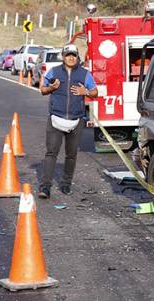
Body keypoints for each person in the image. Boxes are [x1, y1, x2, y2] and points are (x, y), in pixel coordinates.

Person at [38, 44, 98, 198]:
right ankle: (45, 187)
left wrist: (86, 91)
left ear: (77, 57)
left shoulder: (85, 74)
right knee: (51, 153)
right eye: (68, 55)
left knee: (71, 155)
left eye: (74, 55)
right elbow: (43, 90)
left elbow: (95, 92)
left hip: (76, 121)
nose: (71, 58)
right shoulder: (54, 71)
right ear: (63, 57)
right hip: (56, 119)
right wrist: (52, 87)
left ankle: (66, 184)